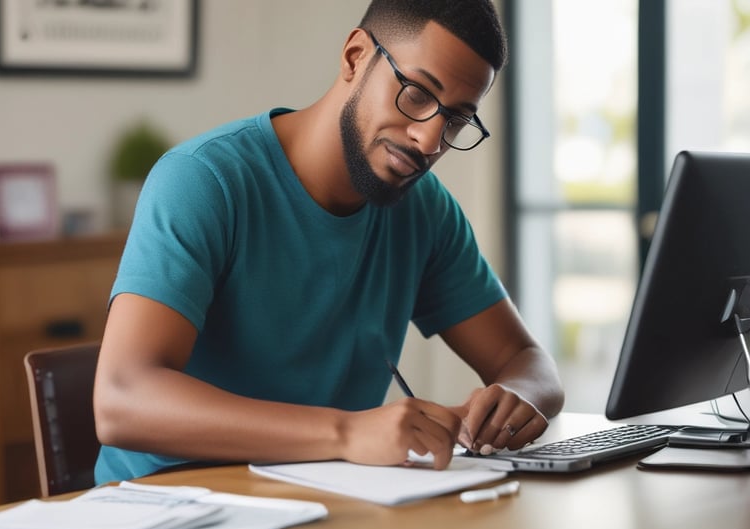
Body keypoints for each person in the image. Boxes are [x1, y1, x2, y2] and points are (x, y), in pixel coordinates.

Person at [93, 0, 565, 484]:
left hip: (327, 501)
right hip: (171, 507)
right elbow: (121, 400)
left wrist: (519, 396)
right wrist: (346, 433)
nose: (430, 140)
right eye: (418, 94)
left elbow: (528, 363)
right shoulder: (204, 181)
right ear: (356, 56)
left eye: (457, 119)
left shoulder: (425, 209)